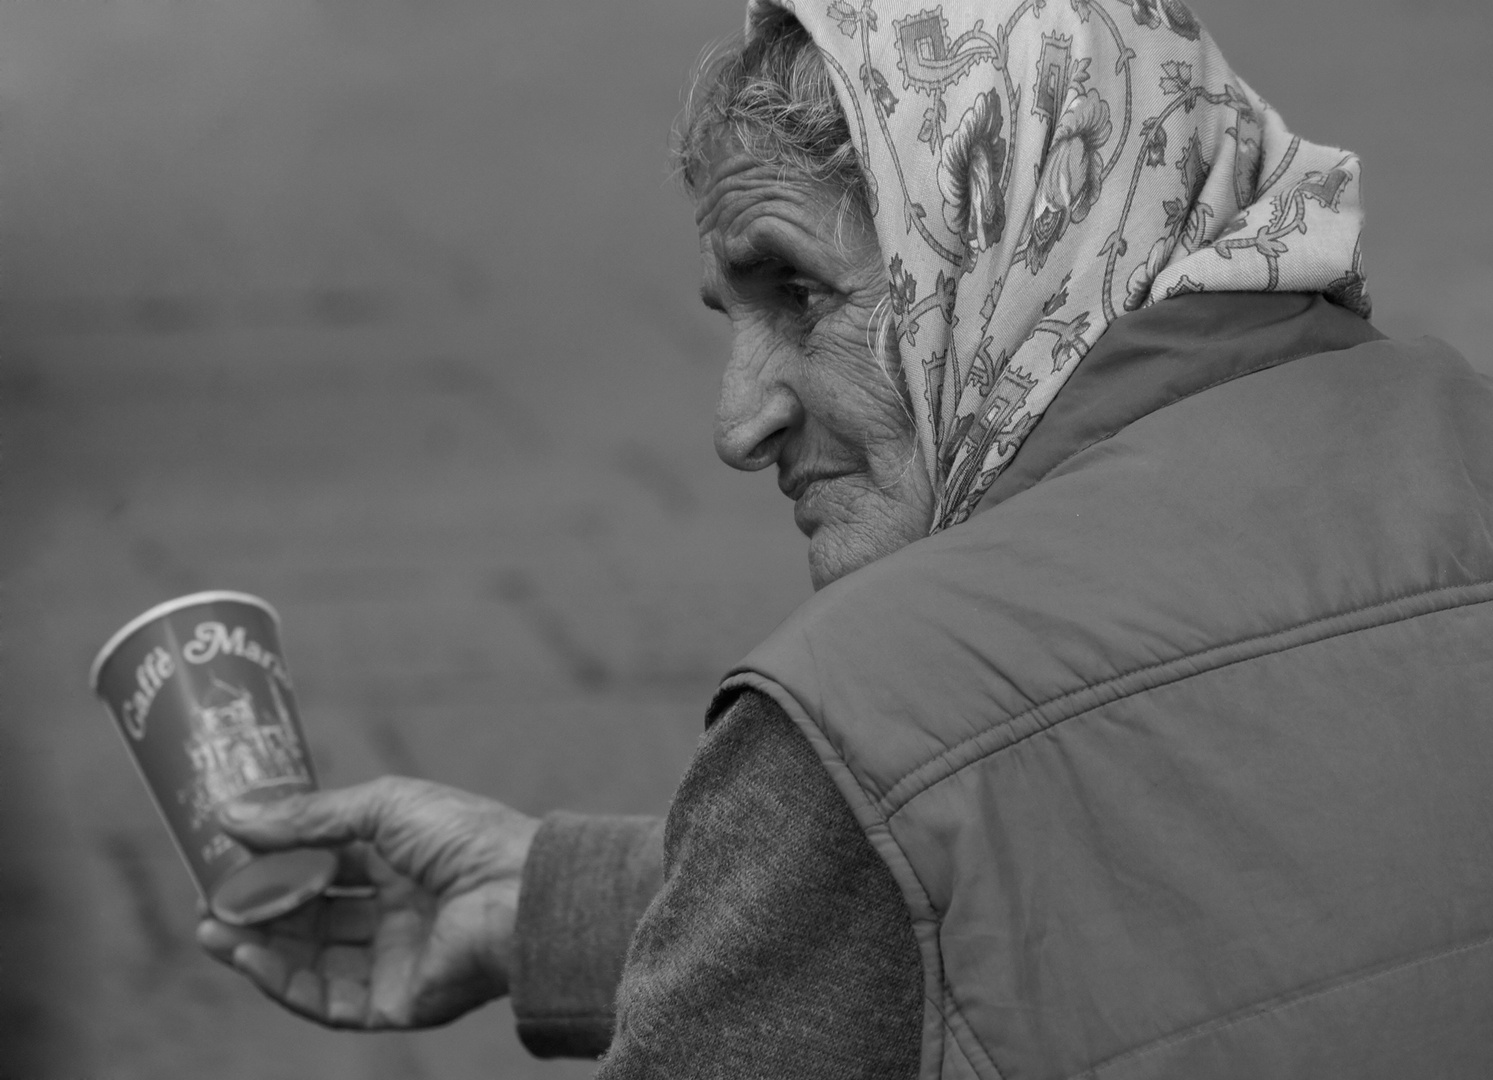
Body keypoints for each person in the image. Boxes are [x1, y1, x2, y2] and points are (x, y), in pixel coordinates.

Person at [198, 0, 1493, 1075]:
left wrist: (786, 831)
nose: (738, 421)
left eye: (799, 292)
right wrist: (572, 899)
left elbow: (953, 810)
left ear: (1012, 240)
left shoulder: (874, 714)